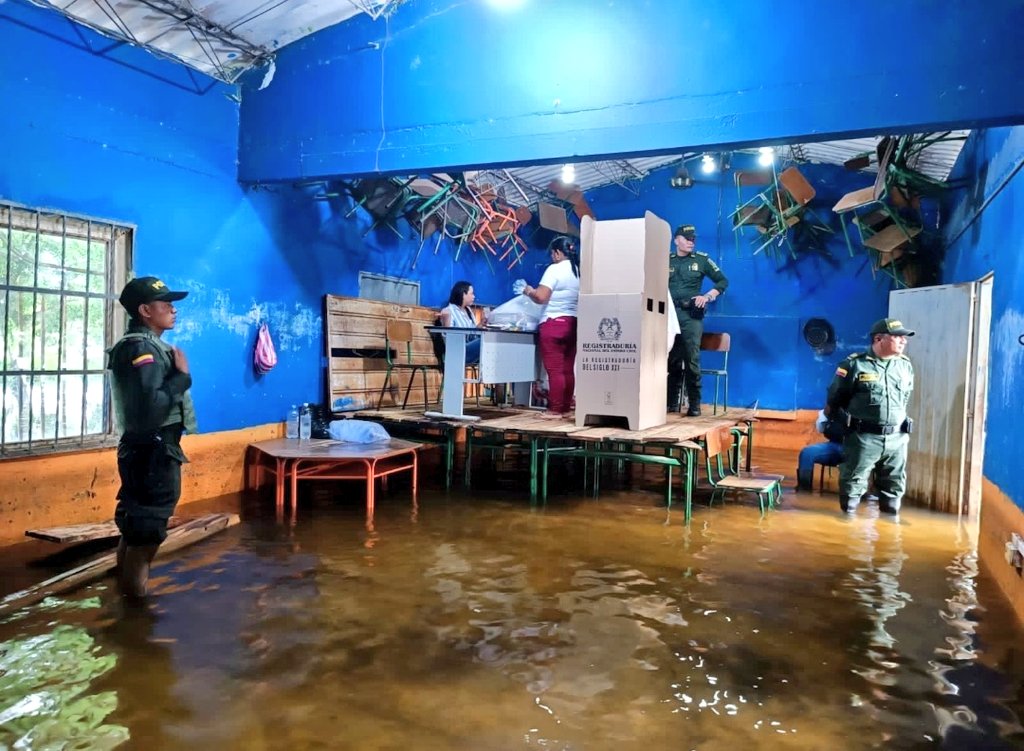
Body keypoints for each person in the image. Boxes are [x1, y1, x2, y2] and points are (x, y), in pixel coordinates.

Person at [108, 276, 197, 597]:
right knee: (146, 537)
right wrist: (182, 377)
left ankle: (124, 605)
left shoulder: (143, 345)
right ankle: (136, 620)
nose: (173, 309)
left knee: (136, 531)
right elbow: (151, 409)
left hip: (144, 450)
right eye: (166, 304)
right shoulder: (142, 348)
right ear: (145, 310)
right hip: (153, 452)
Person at [826, 317, 916, 516]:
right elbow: (835, 399)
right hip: (863, 438)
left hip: (897, 440)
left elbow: (906, 397)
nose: (904, 341)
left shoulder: (904, 365)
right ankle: (847, 538)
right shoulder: (854, 365)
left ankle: (889, 540)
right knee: (851, 494)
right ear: (878, 339)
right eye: (898, 336)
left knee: (893, 495)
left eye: (904, 337)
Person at [667, 224, 728, 416]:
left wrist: (707, 296)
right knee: (670, 359)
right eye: (686, 238)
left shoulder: (701, 260)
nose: (690, 242)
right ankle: (671, 402)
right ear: (676, 240)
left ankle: (694, 404)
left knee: (691, 359)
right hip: (668, 314)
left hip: (689, 315)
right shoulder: (665, 260)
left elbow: (722, 281)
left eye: (693, 238)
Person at [523, 235, 580, 419]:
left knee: (555, 370)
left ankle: (555, 409)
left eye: (552, 253)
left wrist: (529, 291)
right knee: (567, 368)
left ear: (557, 253)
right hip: (573, 323)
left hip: (553, 323)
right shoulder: (579, 271)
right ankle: (565, 406)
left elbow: (541, 297)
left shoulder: (554, 269)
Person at [796, 409, 847, 491]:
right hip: (834, 444)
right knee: (807, 453)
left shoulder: (866, 406)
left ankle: (854, 495)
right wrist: (825, 413)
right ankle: (804, 491)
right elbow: (821, 429)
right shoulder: (836, 404)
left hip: (859, 447)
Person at [439, 280, 482, 364]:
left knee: (488, 342)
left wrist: (479, 326)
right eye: (471, 293)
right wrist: (446, 319)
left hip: (469, 346)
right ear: (463, 294)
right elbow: (447, 338)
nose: (474, 296)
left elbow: (472, 335)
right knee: (483, 343)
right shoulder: (448, 311)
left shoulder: (469, 311)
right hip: (457, 350)